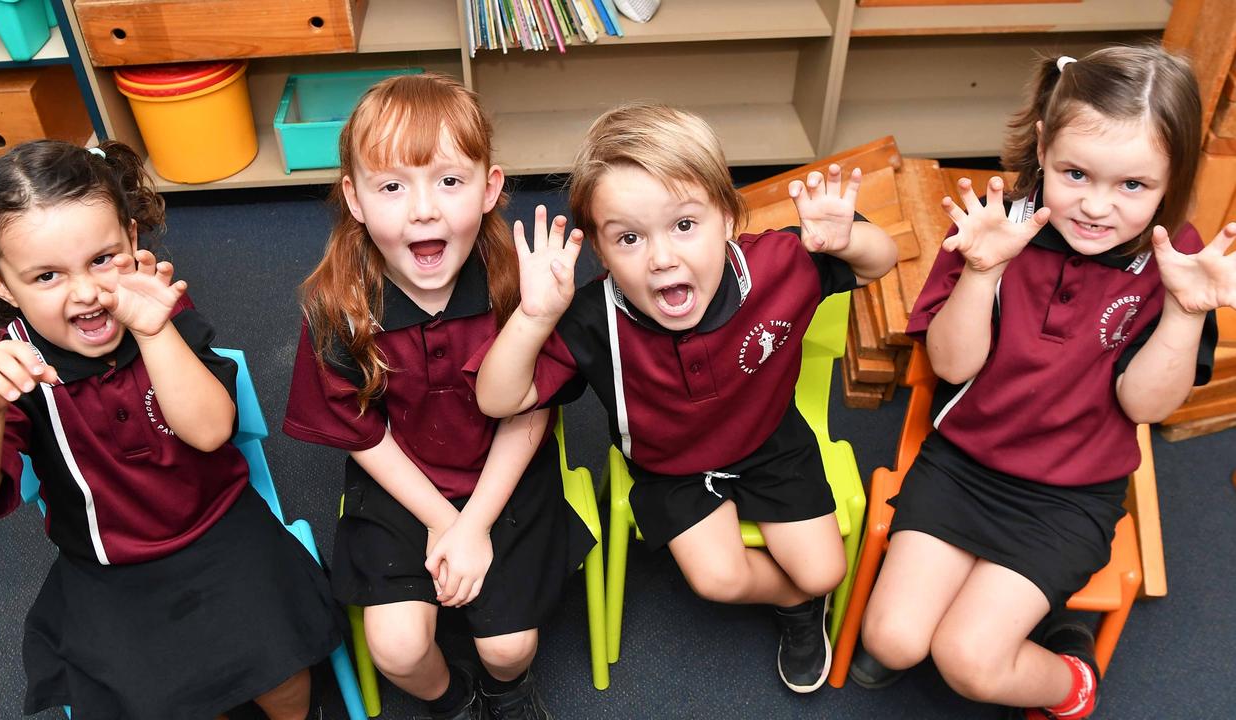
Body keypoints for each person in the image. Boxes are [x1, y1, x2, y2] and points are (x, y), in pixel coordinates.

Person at [851, 45, 1236, 719]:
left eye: (1132, 187)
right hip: (963, 466)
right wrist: (980, 274)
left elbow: (1141, 404)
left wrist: (1183, 312)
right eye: (1075, 174)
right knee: (892, 638)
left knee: (968, 660)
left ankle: (1071, 678)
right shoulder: (992, 229)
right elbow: (949, 367)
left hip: (1068, 496)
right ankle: (1007, 610)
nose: (1094, 206)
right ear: (1042, 146)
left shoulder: (1175, 264)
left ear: (1170, 179)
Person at [473, 102, 897, 693]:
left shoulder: (780, 263)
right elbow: (497, 399)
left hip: (769, 441)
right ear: (598, 248)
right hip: (669, 466)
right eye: (628, 238)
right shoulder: (590, 318)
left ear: (728, 218)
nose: (662, 257)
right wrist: (534, 315)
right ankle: (797, 606)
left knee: (827, 568)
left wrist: (851, 241)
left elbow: (883, 264)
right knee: (718, 578)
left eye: (685, 225)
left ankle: (806, 596)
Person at [0, 140, 340, 720]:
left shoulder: (162, 314)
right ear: (2, 284)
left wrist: (158, 335)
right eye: (46, 276)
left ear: (132, 243)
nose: (85, 292)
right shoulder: (10, 366)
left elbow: (211, 433)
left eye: (102, 259)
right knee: (162, 698)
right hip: (108, 568)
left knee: (282, 670)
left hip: (223, 531)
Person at [283, 73, 593, 720]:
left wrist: (476, 522)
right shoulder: (337, 306)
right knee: (396, 649)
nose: (423, 208)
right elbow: (360, 431)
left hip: (503, 476)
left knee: (509, 649)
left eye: (448, 182)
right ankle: (455, 703)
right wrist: (444, 523)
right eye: (392, 186)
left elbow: (530, 414)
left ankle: (503, 692)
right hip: (402, 481)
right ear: (356, 200)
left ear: (489, 189)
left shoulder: (521, 285)